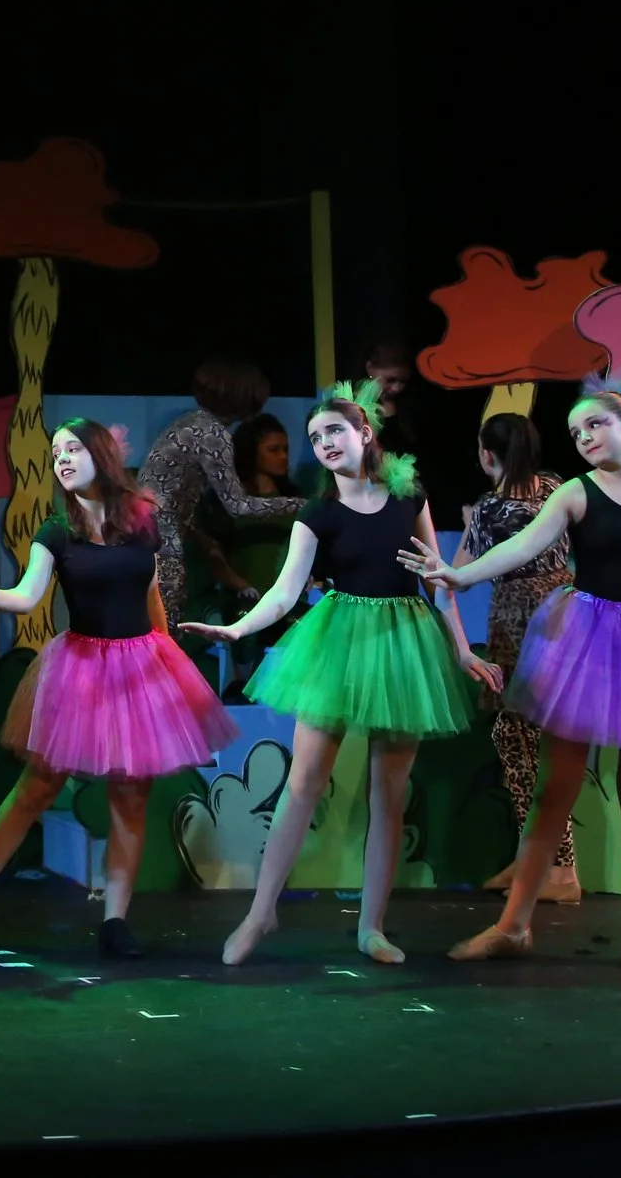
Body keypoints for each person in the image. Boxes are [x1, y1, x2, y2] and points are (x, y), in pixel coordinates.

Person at [403, 376, 621, 974]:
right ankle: (513, 926)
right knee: (555, 789)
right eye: (575, 431)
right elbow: (523, 547)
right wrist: (459, 575)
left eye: (595, 424)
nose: (583, 437)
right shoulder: (576, 494)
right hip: (585, 643)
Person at [181, 382, 497, 966]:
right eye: (315, 437)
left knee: (390, 794)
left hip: (405, 648)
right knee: (303, 782)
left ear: (364, 434)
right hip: (338, 644)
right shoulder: (319, 512)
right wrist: (238, 629)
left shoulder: (410, 498)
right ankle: (261, 914)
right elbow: (283, 591)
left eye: (334, 431)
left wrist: (461, 651)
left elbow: (439, 580)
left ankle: (371, 927)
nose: (324, 442)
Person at [0, 419, 237, 957]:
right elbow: (28, 595)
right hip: (80, 668)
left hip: (141, 668)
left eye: (72, 448)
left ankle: (115, 921)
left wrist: (167, 657)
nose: (61, 458)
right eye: (56, 452)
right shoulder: (57, 531)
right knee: (37, 788)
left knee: (130, 795)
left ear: (100, 454)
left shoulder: (142, 523)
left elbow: (150, 594)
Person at [456, 412, 580, 903]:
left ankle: (560, 869)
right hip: (566, 609)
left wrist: (469, 526)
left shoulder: (492, 508)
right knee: (543, 744)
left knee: (521, 740)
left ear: (488, 454)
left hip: (521, 619)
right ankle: (537, 860)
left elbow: (462, 568)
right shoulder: (559, 486)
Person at [135, 358, 303, 666]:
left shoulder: (187, 424)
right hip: (162, 548)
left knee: (152, 639)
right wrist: (299, 504)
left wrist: (202, 540)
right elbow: (238, 506)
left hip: (146, 541)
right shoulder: (213, 434)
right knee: (161, 643)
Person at [187, 412, 305, 696]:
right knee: (244, 618)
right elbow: (215, 557)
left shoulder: (295, 499)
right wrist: (242, 586)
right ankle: (242, 686)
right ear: (252, 453)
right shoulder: (226, 501)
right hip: (242, 594)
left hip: (287, 596)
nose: (283, 457)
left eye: (286, 450)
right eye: (274, 450)